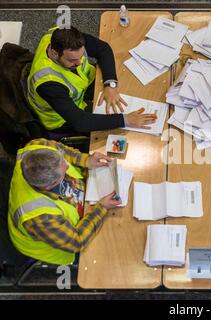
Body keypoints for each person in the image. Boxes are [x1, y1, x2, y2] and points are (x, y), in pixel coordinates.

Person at [8, 138, 121, 265]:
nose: (68, 165)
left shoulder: (36, 146)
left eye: (62, 161)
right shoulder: (40, 217)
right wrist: (102, 207)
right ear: (50, 185)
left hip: (85, 198)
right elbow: (77, 241)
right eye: (64, 171)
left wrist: (86, 160)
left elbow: (62, 149)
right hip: (60, 245)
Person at [27, 26, 157, 133]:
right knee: (116, 130)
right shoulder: (48, 83)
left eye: (81, 55)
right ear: (55, 53)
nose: (79, 62)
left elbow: (103, 49)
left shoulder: (64, 37)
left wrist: (110, 84)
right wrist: (126, 120)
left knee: (128, 87)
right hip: (62, 119)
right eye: (72, 60)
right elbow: (81, 122)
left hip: (82, 85)